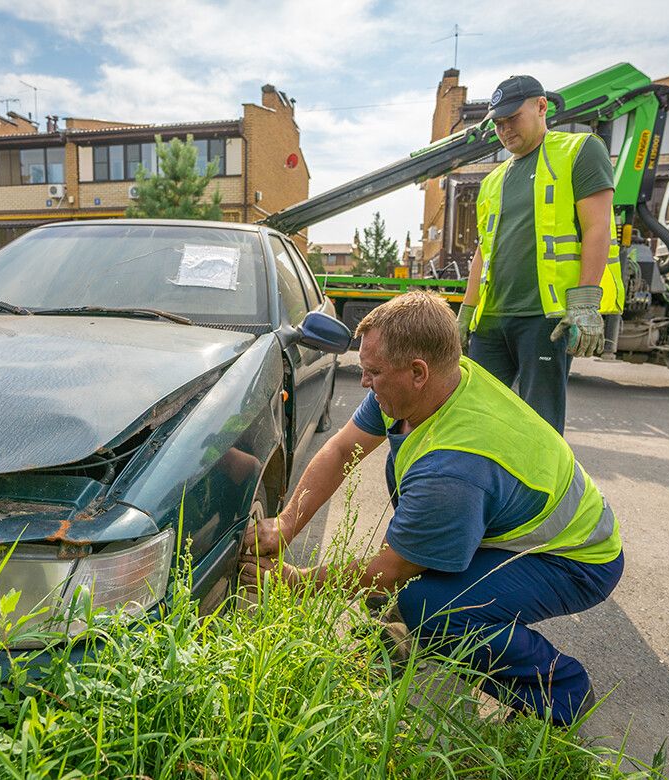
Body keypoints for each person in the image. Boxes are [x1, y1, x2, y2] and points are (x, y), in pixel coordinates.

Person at [240, 291, 623, 725]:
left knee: (431, 605)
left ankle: (560, 696)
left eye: (373, 373)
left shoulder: (455, 467)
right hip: (518, 521)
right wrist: (287, 523)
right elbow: (343, 446)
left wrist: (302, 581)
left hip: (576, 558)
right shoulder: (432, 383)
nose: (363, 382)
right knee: (413, 549)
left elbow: (391, 570)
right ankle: (401, 635)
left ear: (418, 372)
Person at [456, 75, 625, 434]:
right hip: (492, 319)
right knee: (477, 417)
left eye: (511, 119)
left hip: (543, 318)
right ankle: (489, 487)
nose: (504, 130)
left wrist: (584, 303)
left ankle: (542, 491)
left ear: (541, 106)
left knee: (539, 426)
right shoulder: (493, 180)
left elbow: (598, 229)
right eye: (497, 124)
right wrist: (466, 312)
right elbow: (482, 252)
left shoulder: (580, 151)